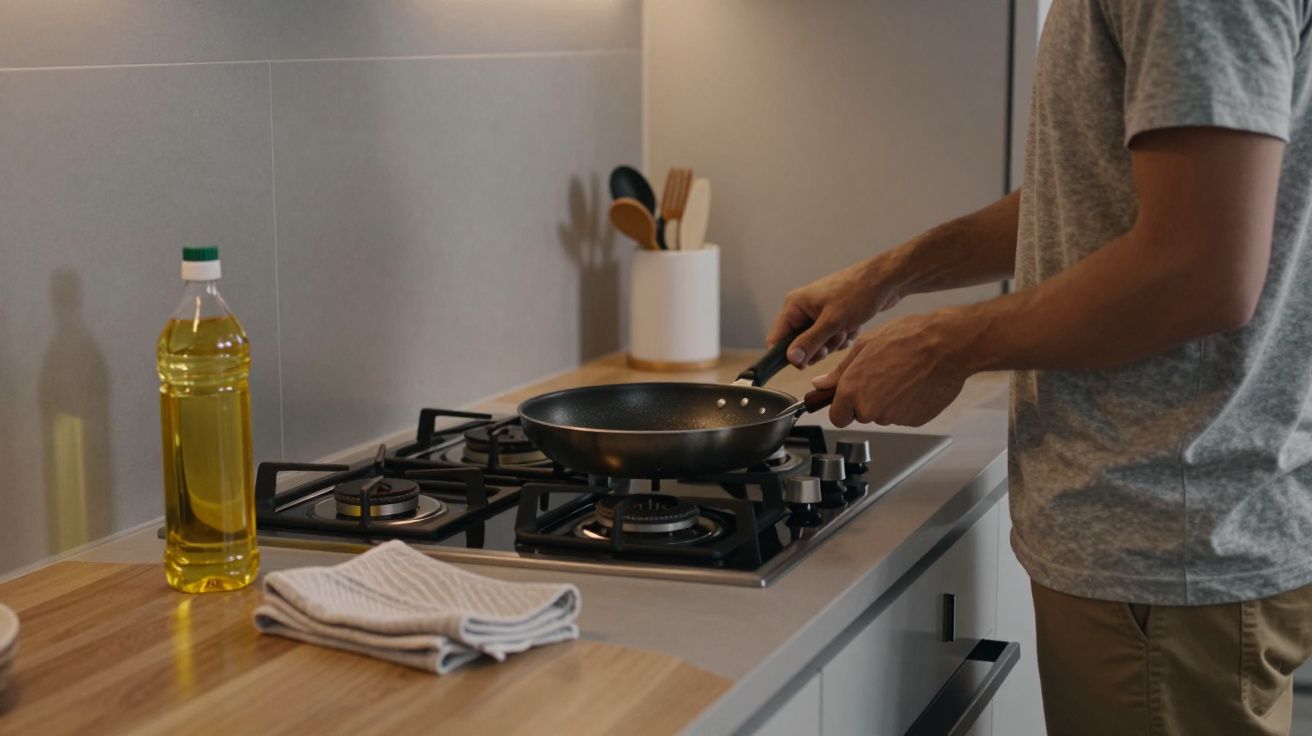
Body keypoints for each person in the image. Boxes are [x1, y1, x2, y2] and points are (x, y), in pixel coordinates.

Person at [768, 2, 1312, 734]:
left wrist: (948, 345)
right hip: (1166, 541)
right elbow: (1105, 189)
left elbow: (1200, 266)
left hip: (1168, 545)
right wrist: (889, 276)